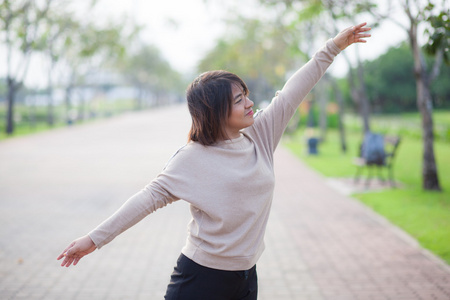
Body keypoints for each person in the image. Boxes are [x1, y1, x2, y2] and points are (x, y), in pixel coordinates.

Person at [57, 22, 371, 299]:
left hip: (247, 278)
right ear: (216, 112)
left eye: (246, 95)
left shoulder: (260, 133)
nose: (250, 103)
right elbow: (146, 200)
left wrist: (333, 47)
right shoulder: (191, 159)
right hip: (201, 279)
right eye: (239, 100)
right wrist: (94, 239)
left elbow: (292, 92)